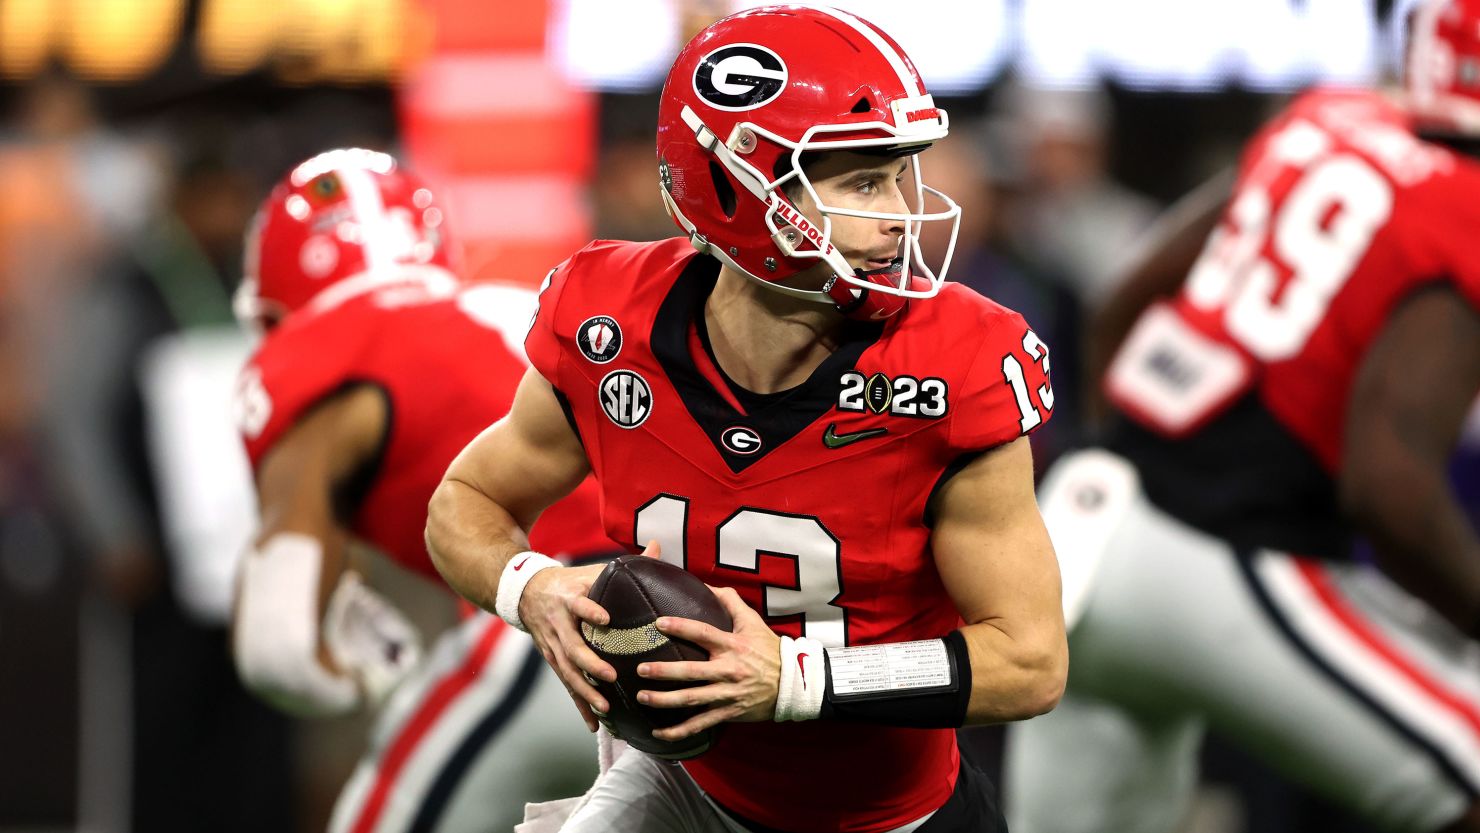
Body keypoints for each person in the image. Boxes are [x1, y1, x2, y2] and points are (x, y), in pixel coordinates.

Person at [425, 7, 1068, 833]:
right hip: (682, 789)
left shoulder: (955, 363)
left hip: (887, 818)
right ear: (739, 185)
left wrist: (797, 680)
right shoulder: (609, 326)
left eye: (901, 175)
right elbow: (465, 501)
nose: (901, 215)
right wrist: (533, 588)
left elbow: (1032, 659)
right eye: (864, 181)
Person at [1003, 2, 1480, 831]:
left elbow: (1127, 298)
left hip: (1089, 526)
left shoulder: (1327, 118)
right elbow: (1389, 484)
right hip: (1233, 555)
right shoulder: (1463, 204)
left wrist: (1134, 451)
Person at [229, 148, 619, 833]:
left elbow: (278, 646)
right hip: (693, 612)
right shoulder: (503, 308)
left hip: (559, 616)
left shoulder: (319, 356)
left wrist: (368, 676)